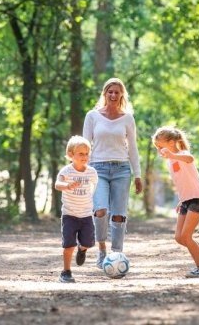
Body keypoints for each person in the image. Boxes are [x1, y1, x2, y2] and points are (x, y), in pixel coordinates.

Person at [83, 77, 143, 267]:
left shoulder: (128, 118)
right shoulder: (92, 116)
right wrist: (82, 171)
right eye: (110, 91)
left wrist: (138, 175)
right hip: (97, 169)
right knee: (100, 210)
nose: (113, 95)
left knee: (118, 214)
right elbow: (85, 145)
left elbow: (133, 148)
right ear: (105, 93)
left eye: (117, 92)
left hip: (121, 170)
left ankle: (117, 254)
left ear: (122, 95)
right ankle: (102, 249)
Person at [152, 125, 199, 278]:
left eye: (160, 146)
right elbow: (182, 182)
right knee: (179, 238)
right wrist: (181, 199)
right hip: (186, 200)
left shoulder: (183, 154)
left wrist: (173, 155)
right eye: (157, 147)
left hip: (198, 198)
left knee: (187, 236)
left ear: (171, 142)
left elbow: (190, 159)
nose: (159, 150)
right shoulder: (169, 161)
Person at [54, 135, 98, 283]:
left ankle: (82, 249)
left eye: (86, 154)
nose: (84, 157)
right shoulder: (66, 171)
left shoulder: (92, 172)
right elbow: (57, 184)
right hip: (69, 215)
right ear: (70, 155)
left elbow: (94, 190)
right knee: (68, 245)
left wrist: (97, 206)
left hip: (86, 215)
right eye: (80, 154)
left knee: (87, 242)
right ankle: (66, 271)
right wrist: (67, 186)